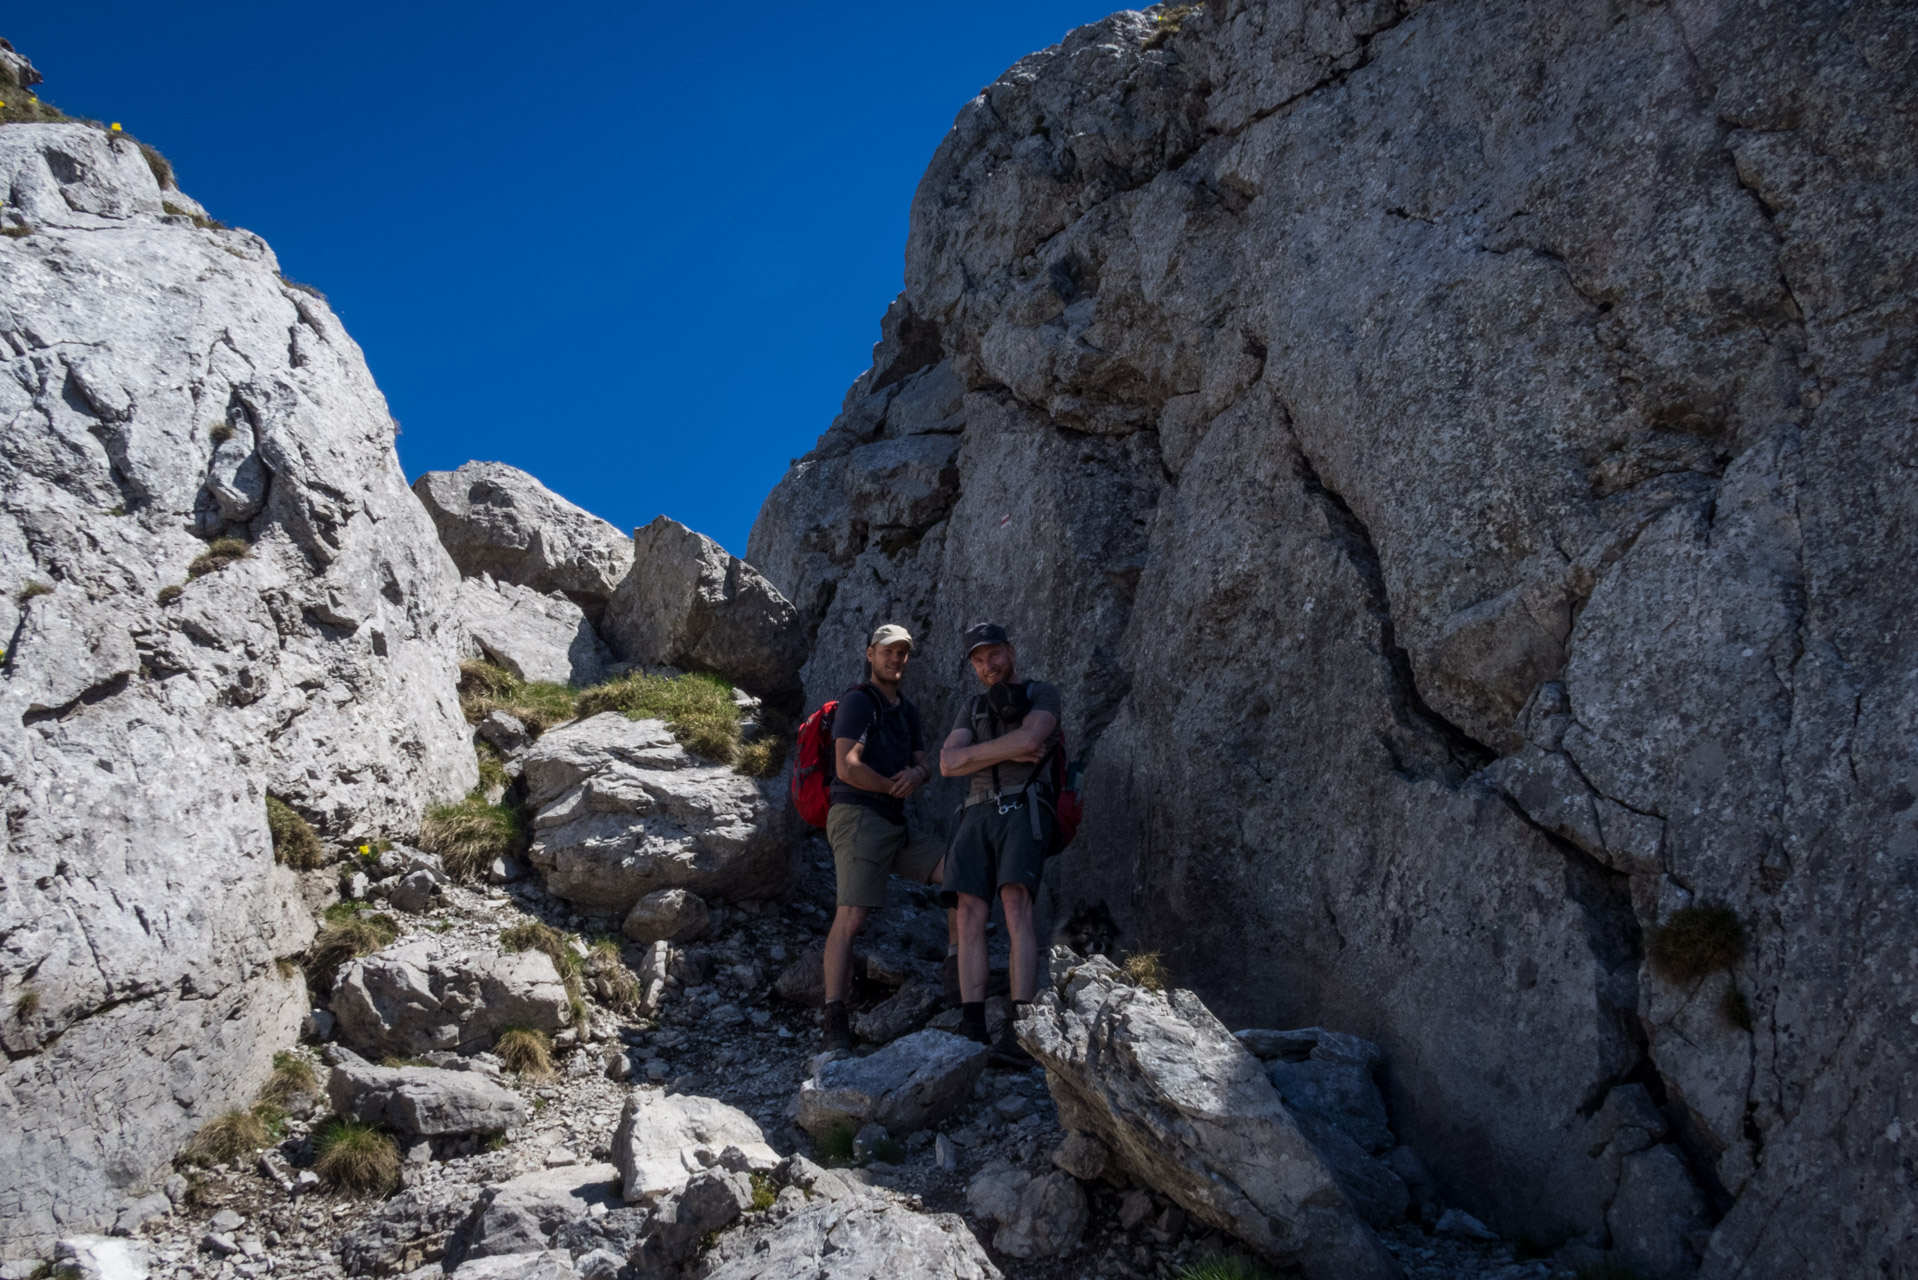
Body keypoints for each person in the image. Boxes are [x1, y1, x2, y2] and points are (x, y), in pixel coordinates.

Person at [939, 621, 1063, 1066]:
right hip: (975, 810)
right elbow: (947, 763)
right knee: (969, 911)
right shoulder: (970, 707)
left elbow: (1034, 737)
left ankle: (1020, 1029)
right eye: (977, 660)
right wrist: (1008, 751)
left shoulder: (1041, 693)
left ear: (1010, 651)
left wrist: (984, 752)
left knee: (1015, 904)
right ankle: (972, 1026)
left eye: (993, 655)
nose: (987, 665)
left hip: (1023, 803)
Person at [819, 623, 946, 1053]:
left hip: (894, 822)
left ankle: (959, 981)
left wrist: (917, 774)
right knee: (852, 916)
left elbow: (924, 761)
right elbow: (846, 767)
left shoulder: (906, 710)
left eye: (903, 653)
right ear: (870, 653)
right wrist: (893, 785)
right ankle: (834, 1014)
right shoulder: (859, 701)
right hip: (858, 815)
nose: (896, 659)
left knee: (962, 873)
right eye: (888, 651)